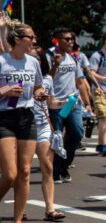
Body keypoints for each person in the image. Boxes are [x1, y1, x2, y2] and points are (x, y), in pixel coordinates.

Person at [0, 21, 47, 222]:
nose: (34, 41)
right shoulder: (2, 61)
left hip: (27, 116)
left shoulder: (33, 62)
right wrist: (6, 91)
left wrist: (40, 93)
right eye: (31, 37)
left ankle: (17, 220)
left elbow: (38, 86)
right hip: (4, 118)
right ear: (18, 39)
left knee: (25, 172)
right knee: (10, 174)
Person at [46, 27, 93, 183]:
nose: (70, 41)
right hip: (56, 105)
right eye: (66, 39)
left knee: (77, 133)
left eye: (71, 39)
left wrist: (87, 104)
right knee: (57, 138)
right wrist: (55, 65)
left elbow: (80, 81)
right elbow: (45, 80)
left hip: (72, 104)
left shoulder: (73, 58)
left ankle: (65, 165)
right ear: (57, 41)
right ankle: (56, 170)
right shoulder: (48, 56)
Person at [29, 46, 66, 221]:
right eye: (32, 58)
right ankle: (19, 208)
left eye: (38, 59)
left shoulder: (47, 81)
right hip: (24, 126)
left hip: (43, 127)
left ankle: (50, 209)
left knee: (48, 167)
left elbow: (51, 104)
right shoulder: (20, 78)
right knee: (22, 171)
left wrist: (67, 104)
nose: (35, 61)